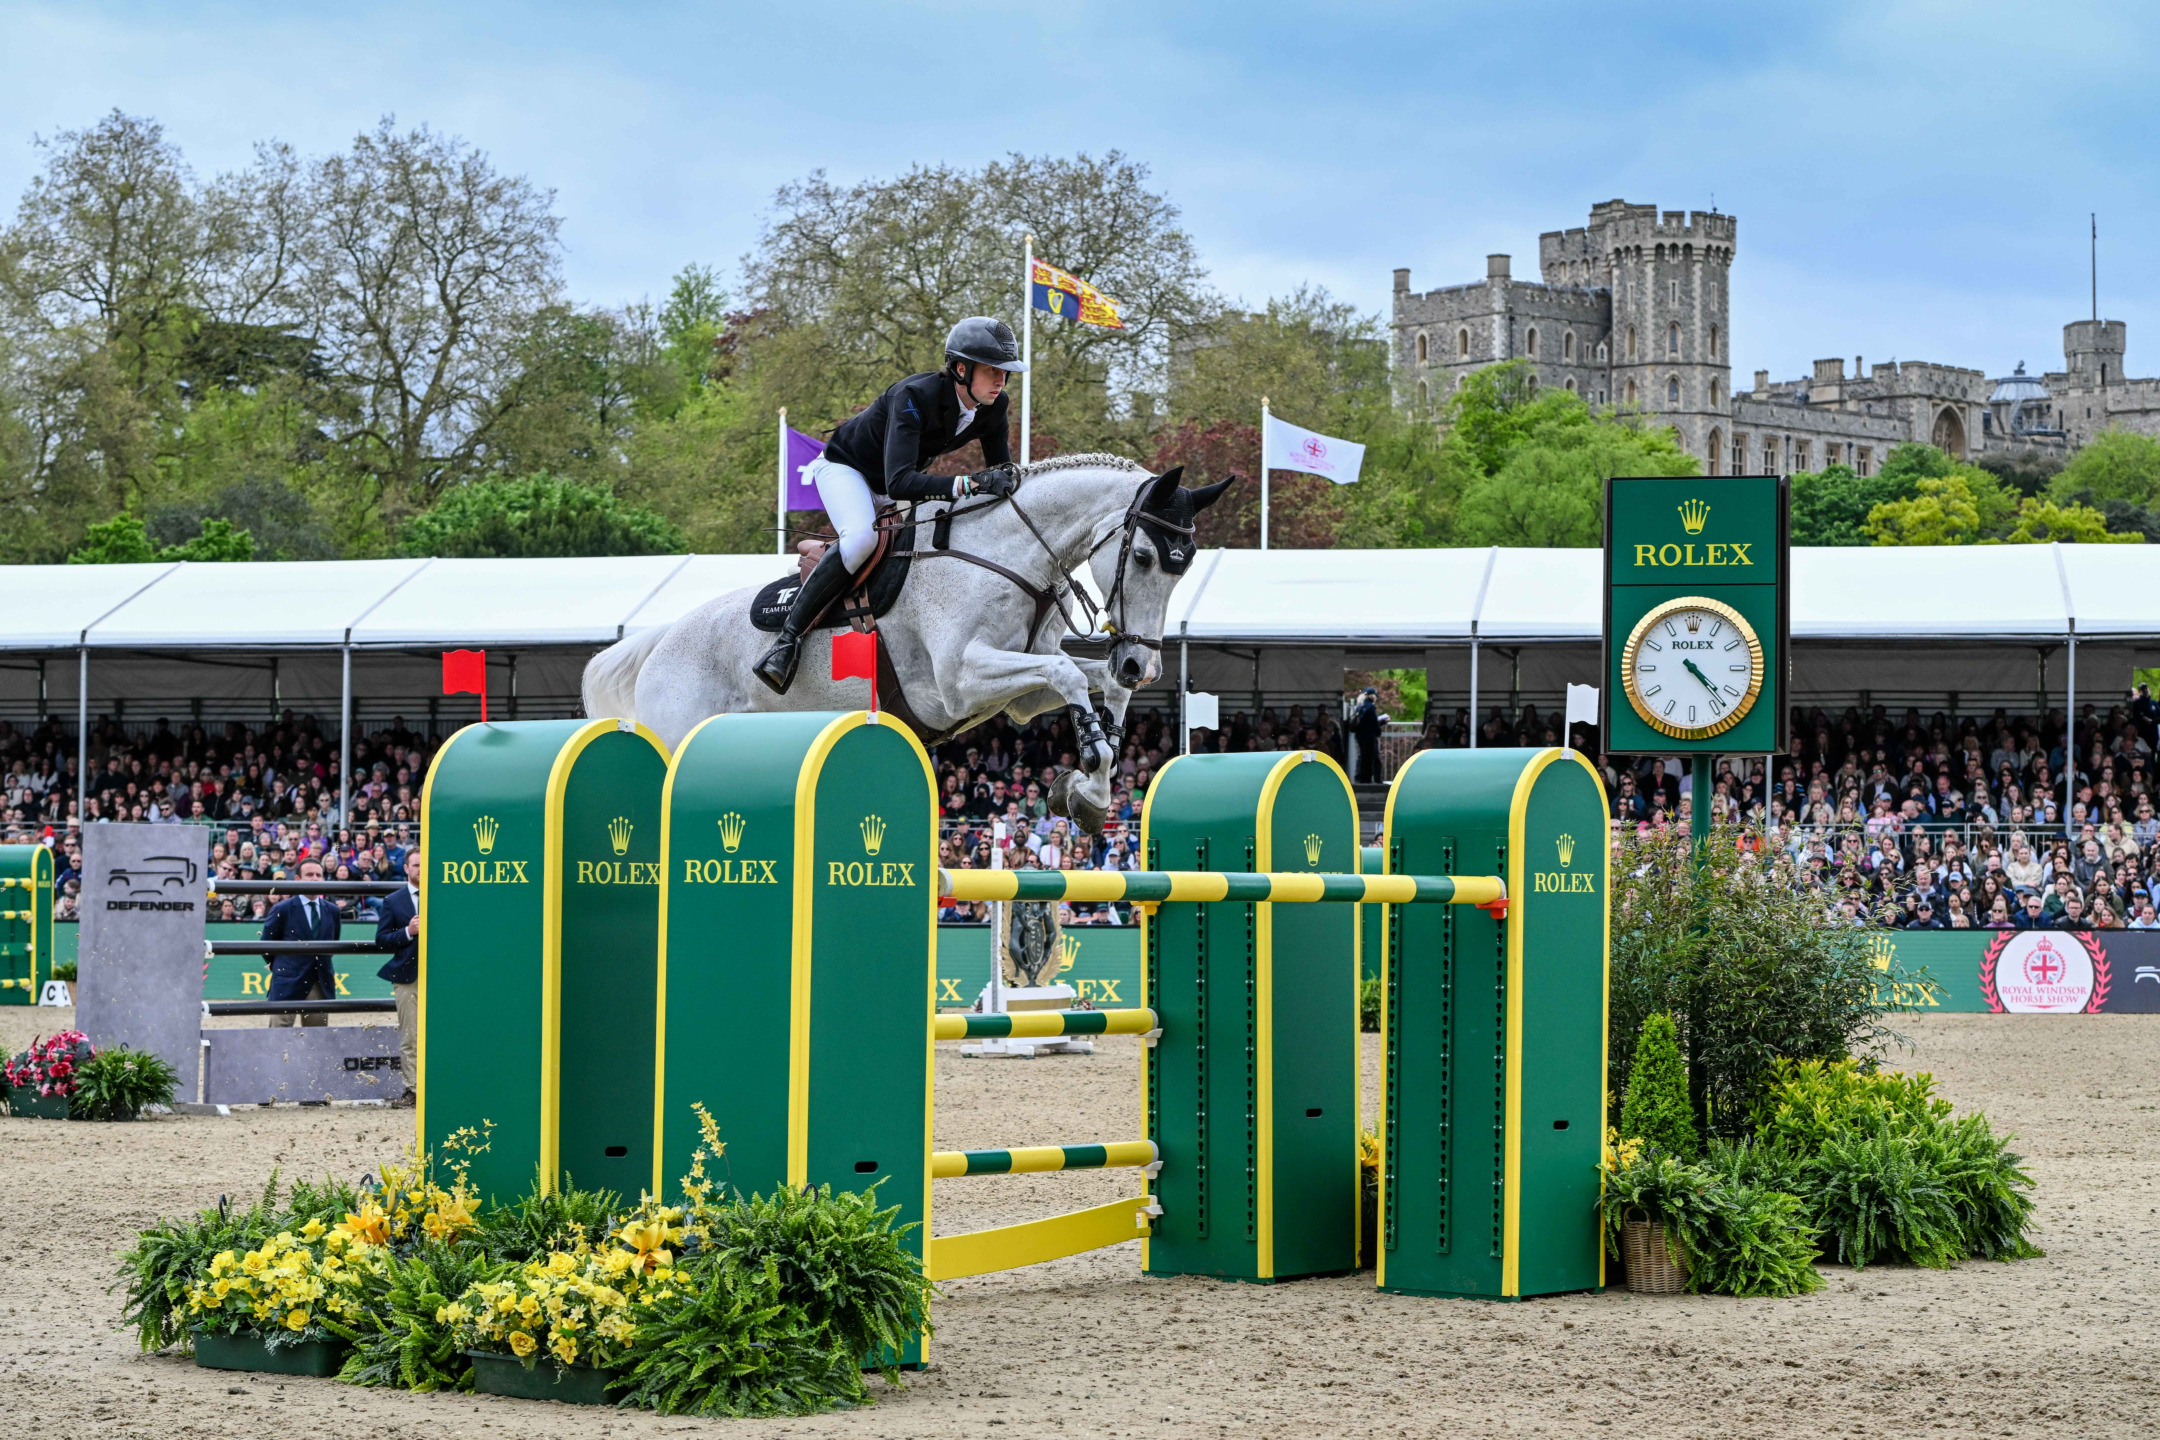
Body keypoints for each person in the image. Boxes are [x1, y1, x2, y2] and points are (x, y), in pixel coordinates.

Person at [753, 316, 1029, 694]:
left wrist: (1007, 483)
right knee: (862, 539)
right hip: (846, 470)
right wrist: (970, 483)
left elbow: (1000, 472)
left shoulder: (994, 406)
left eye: (1005, 372)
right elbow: (901, 482)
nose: (1001, 380)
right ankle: (786, 643)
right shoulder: (914, 397)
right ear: (961, 369)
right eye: (992, 371)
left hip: (894, 482)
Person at [262, 860, 340, 1028]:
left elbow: (333, 944)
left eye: (319, 875)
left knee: (317, 1040)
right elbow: (266, 946)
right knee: (278, 1037)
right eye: (310, 875)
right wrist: (285, 967)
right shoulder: (282, 909)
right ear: (297, 879)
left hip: (319, 981)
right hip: (287, 982)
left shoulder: (332, 910)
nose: (315, 879)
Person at [374, 849, 422, 1107]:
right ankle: (412, 1090)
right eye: (416, 865)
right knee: (410, 1036)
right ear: (405, 868)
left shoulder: (446, 895)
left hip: (442, 977)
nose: (421, 870)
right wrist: (407, 931)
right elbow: (381, 940)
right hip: (407, 976)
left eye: (424, 865)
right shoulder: (393, 901)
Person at [1350, 687, 1383, 784]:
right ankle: (1370, 779)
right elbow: (1373, 723)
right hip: (1369, 737)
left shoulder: (1360, 706)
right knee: (1370, 758)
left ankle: (1361, 778)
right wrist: (1380, 727)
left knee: (1363, 757)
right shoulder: (1370, 707)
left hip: (1360, 736)